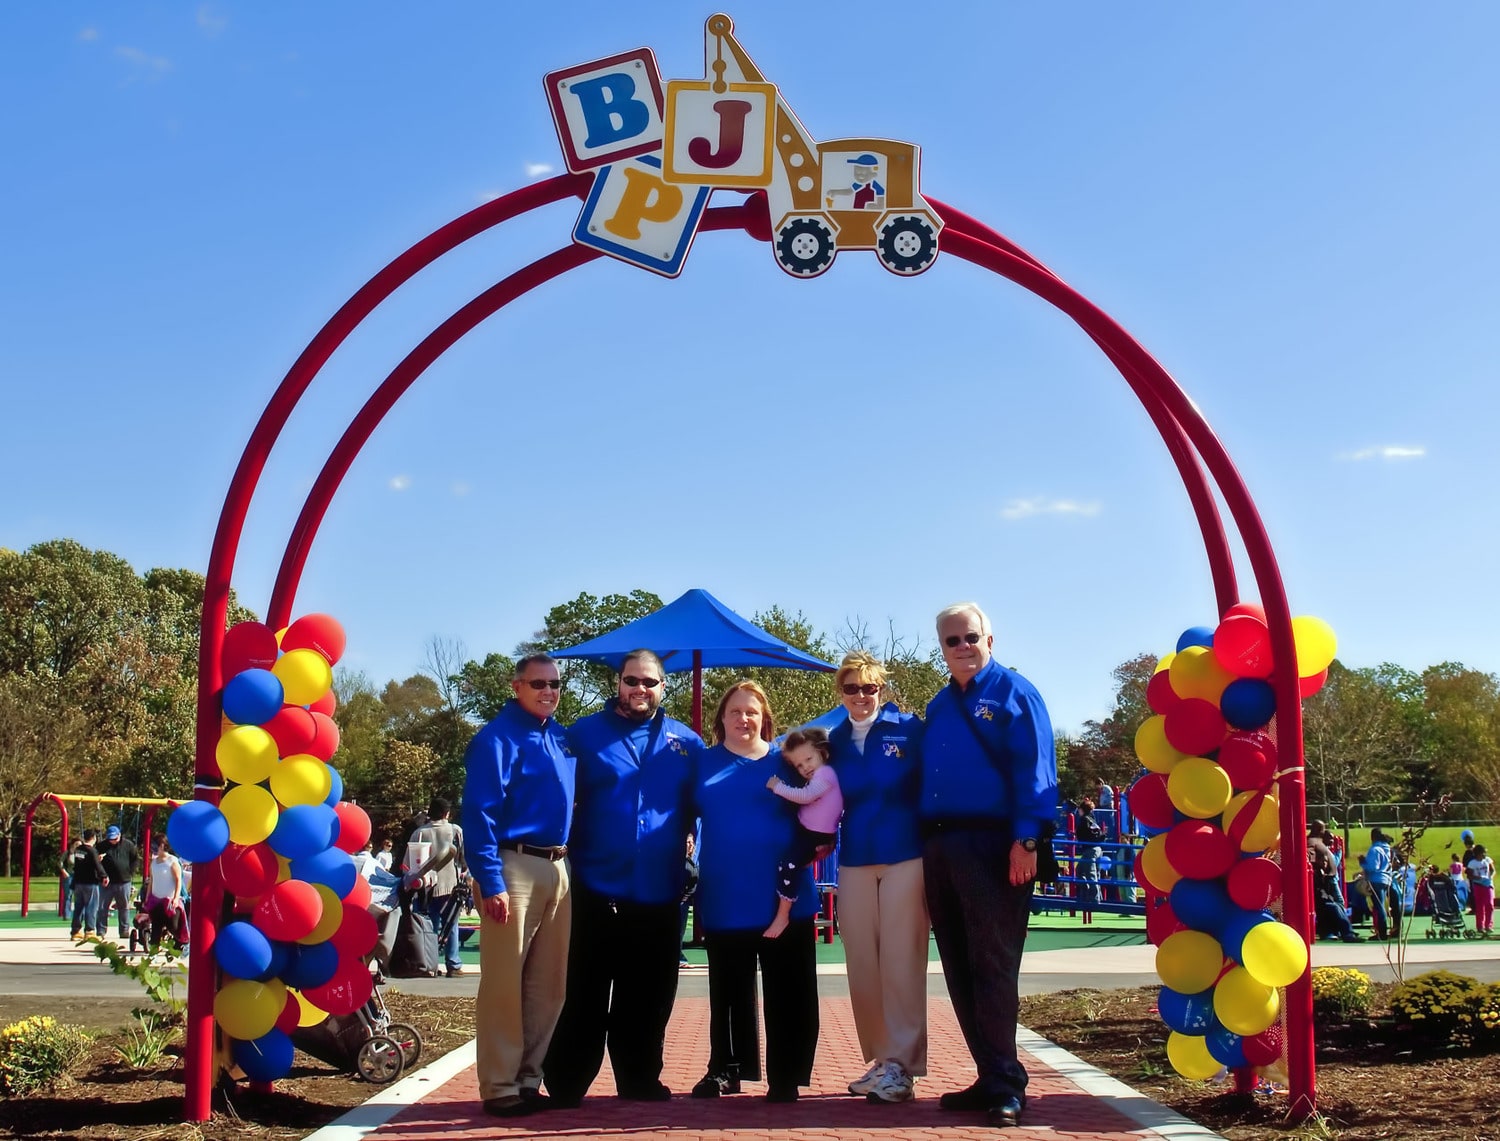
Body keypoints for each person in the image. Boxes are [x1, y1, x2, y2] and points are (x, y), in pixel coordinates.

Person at [920, 602, 1057, 1129]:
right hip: (941, 845)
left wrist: (1026, 839)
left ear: (990, 639)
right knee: (958, 966)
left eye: (970, 637)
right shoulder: (939, 705)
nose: (962, 647)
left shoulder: (1015, 693)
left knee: (993, 966)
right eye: (951, 641)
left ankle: (1007, 1084)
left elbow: (1037, 771)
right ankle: (987, 1073)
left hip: (994, 844)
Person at [543, 650, 701, 1106]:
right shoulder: (584, 735)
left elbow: (705, 805)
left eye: (649, 682)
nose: (640, 690)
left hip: (659, 891)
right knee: (583, 993)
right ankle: (567, 1081)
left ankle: (639, 1078)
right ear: (618, 683)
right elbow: (552, 793)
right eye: (632, 680)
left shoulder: (685, 743)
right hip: (593, 888)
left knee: (648, 998)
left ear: (663, 686)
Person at [690, 680, 819, 1104]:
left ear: (764, 718)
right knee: (728, 992)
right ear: (721, 718)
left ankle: (786, 1075)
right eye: (735, 711)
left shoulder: (788, 762)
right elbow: (674, 815)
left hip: (786, 896)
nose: (744, 719)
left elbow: (828, 800)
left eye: (752, 711)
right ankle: (725, 1069)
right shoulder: (702, 764)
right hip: (726, 894)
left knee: (790, 990)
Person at [461, 653, 575, 1118]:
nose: (548, 691)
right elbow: (479, 815)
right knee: (505, 983)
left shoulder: (562, 738)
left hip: (559, 866)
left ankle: (530, 1078)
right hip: (513, 866)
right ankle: (499, 1084)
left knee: (548, 986)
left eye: (554, 685)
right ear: (517, 687)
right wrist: (491, 881)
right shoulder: (495, 739)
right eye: (538, 684)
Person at [824, 650, 927, 1104]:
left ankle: (902, 1066)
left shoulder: (910, 730)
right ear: (841, 693)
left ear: (881, 690)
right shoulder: (835, 741)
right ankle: (882, 1059)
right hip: (855, 859)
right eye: (852, 688)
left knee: (901, 961)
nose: (861, 696)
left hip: (906, 855)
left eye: (870, 688)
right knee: (862, 963)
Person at [763, 727, 843, 940]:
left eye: (808, 759)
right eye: (799, 765)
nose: (805, 767)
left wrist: (778, 786)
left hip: (814, 835)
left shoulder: (826, 774)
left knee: (788, 865)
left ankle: (783, 914)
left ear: (822, 753)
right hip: (808, 829)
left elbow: (806, 796)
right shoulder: (821, 773)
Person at [409, 797, 468, 978]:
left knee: (429, 925)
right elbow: (463, 857)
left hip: (425, 887)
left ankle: (430, 963)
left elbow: (411, 862)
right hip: (450, 884)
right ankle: (453, 963)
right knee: (451, 924)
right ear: (446, 813)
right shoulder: (455, 830)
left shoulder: (419, 833)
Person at [1308, 821, 1359, 942]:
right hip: (1320, 881)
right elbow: (1310, 856)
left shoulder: (1315, 841)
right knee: (1332, 905)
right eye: (1323, 828)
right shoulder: (1313, 842)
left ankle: (1330, 931)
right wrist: (1323, 871)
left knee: (1329, 906)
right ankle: (1345, 932)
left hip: (1322, 879)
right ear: (1319, 829)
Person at [142, 836, 187, 948]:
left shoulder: (173, 861)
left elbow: (178, 880)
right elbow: (152, 881)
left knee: (173, 926)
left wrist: (176, 898)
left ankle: (181, 943)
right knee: (156, 925)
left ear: (162, 846)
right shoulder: (154, 863)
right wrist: (147, 897)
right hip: (156, 900)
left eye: (155, 846)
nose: (153, 848)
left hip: (169, 900)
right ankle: (153, 950)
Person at [98, 825, 140, 942]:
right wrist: (101, 872)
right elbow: (96, 863)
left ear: (119, 836)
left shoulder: (128, 845)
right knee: (102, 907)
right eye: (110, 839)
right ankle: (101, 930)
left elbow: (135, 859)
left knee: (124, 906)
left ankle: (124, 930)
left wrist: (130, 872)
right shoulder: (102, 846)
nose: (112, 841)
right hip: (107, 881)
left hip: (124, 881)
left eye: (114, 838)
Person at [68, 829, 107, 940]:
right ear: (94, 838)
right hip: (90, 882)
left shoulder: (78, 850)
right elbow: (97, 866)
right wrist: (104, 876)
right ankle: (90, 931)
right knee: (91, 906)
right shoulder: (92, 851)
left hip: (78, 882)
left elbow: (82, 863)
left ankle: (76, 931)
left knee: (79, 907)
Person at [1073, 798, 1105, 908]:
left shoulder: (1084, 820)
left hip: (1090, 849)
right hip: (1098, 848)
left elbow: (1084, 833)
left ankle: (1094, 900)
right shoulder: (1092, 819)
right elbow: (1096, 833)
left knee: (1090, 874)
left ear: (1082, 810)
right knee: (1083, 871)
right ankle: (1092, 895)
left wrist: (1077, 836)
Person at [1364, 828, 1395, 940]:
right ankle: (1382, 931)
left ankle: (1382, 933)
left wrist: (1363, 863)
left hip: (1376, 879)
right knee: (1381, 905)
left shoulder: (1375, 849)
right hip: (1386, 879)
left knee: (1379, 906)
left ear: (1372, 837)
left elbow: (1373, 867)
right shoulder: (1387, 849)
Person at [1466, 844, 1495, 935]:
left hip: (1488, 884)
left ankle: (1488, 925)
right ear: (1478, 853)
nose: (1484, 854)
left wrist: (1490, 877)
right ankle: (1480, 926)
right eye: (1483, 853)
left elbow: (1492, 870)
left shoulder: (1487, 860)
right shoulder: (1472, 863)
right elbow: (1469, 875)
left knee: (1490, 905)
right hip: (1478, 885)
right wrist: (1477, 878)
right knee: (1480, 906)